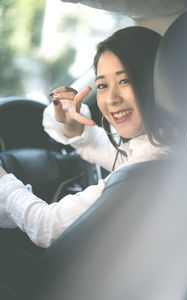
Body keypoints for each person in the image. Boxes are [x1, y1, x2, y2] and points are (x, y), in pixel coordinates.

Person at [0, 26, 175, 249]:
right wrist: (75, 129)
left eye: (124, 81)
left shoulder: (144, 171)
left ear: (158, 81)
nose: (111, 98)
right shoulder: (169, 144)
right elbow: (118, 155)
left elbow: (47, 226)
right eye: (102, 85)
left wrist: (4, 182)